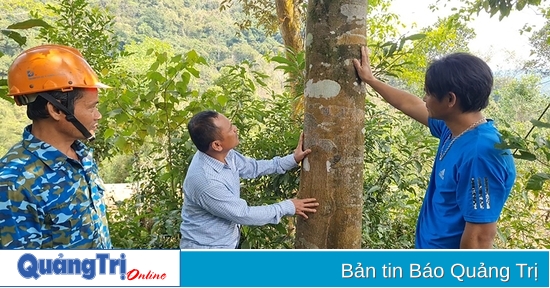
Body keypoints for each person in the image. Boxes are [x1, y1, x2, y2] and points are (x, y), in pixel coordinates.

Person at [353, 46, 516, 249]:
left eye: (429, 94)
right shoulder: (454, 128)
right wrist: (371, 80)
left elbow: (480, 237)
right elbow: (410, 104)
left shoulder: (480, 154)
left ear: (450, 99)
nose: (424, 99)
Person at [0, 44, 112, 249]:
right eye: (91, 107)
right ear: (56, 110)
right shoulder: (14, 182)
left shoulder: (81, 155)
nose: (98, 116)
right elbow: (18, 274)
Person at [179, 110, 319, 249]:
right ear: (216, 145)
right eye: (230, 129)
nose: (235, 129)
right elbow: (244, 214)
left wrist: (292, 159)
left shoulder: (223, 154)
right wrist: (287, 206)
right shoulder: (205, 181)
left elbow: (253, 167)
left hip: (225, 243)